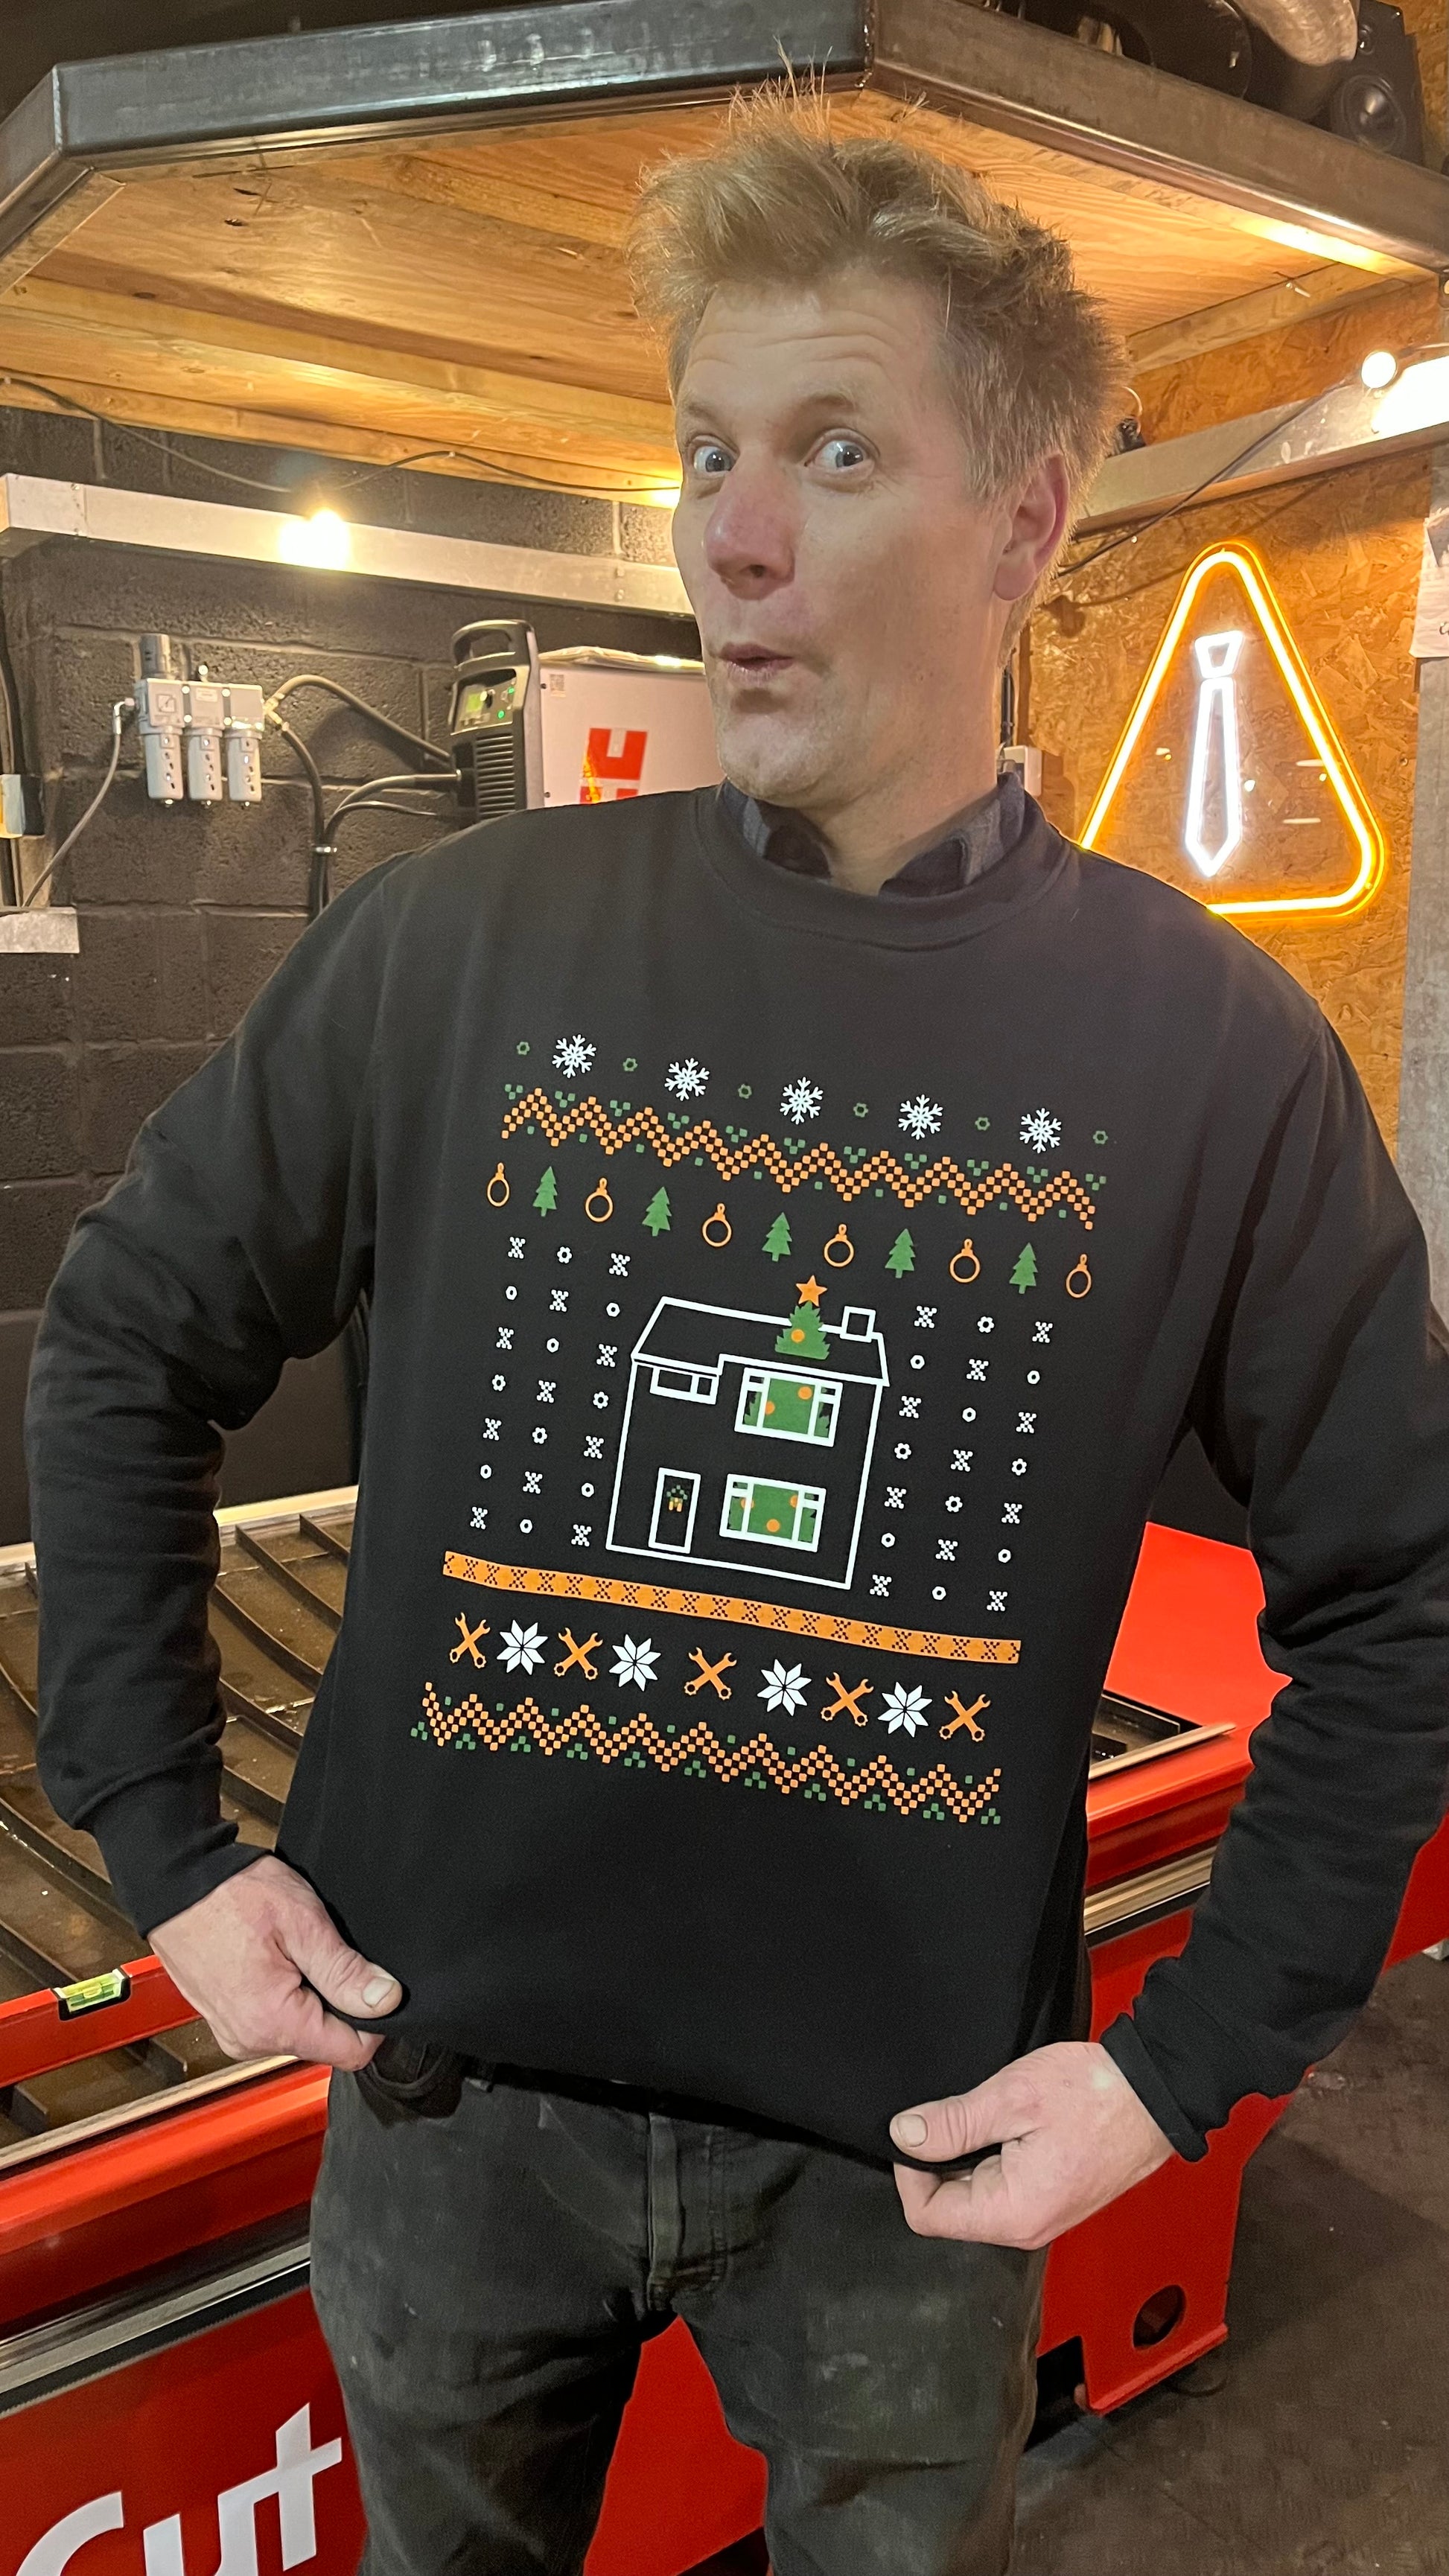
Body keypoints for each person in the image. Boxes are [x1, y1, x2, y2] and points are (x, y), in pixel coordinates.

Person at [25, 91, 1449, 2576]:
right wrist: (164, 1843)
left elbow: (1404, 1598)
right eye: (700, 446)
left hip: (908, 2161)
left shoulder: (1206, 1054)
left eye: (830, 445)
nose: (729, 528)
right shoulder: (457, 947)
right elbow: (128, 1339)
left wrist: (1184, 2070)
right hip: (446, 2116)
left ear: (1021, 517)